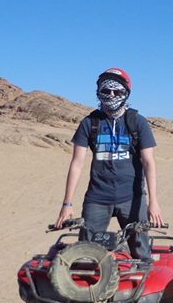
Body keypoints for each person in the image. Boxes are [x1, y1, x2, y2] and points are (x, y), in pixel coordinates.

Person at [55, 67, 164, 259]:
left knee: (141, 253)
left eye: (117, 91)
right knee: (86, 255)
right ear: (99, 93)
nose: (111, 95)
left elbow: (148, 162)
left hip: (132, 198)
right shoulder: (90, 123)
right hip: (97, 197)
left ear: (126, 93)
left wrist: (153, 202)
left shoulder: (137, 122)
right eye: (106, 91)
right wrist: (67, 203)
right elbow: (77, 164)